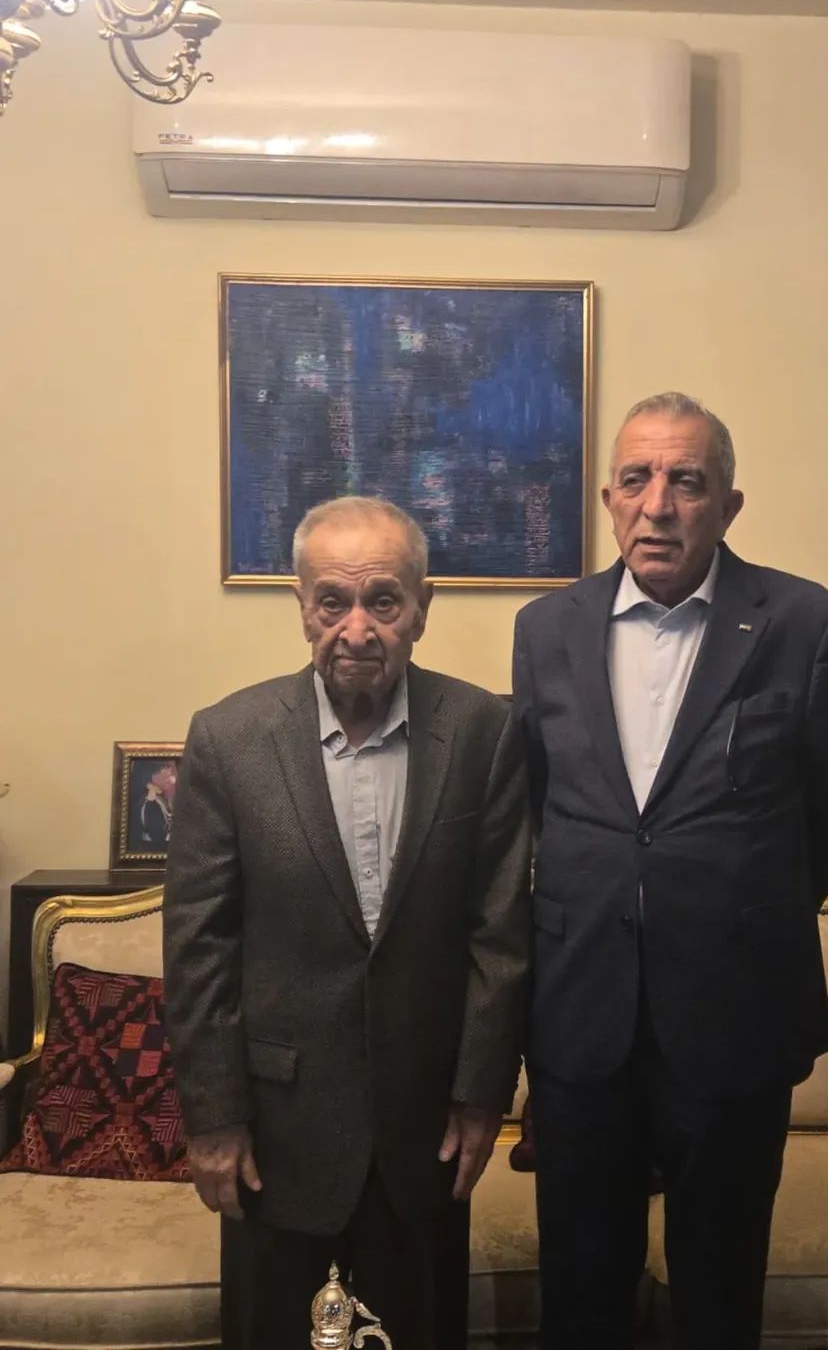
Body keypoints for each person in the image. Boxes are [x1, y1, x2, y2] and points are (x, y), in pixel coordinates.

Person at [512, 393, 828, 1349]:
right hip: (582, 1007)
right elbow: (533, 800)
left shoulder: (805, 622)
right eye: (636, 479)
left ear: (728, 504)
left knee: (720, 1289)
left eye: (687, 481)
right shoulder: (545, 629)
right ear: (608, 498)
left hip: (735, 1007)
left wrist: (740, 907)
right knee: (580, 1288)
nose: (658, 505)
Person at [164, 495, 531, 1350]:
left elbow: (500, 932)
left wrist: (483, 1095)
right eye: (332, 601)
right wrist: (212, 1118)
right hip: (276, 1135)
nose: (356, 629)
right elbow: (199, 949)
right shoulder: (228, 740)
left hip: (424, 1133)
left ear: (422, 609)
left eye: (383, 601)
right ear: (302, 608)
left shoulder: (482, 731)